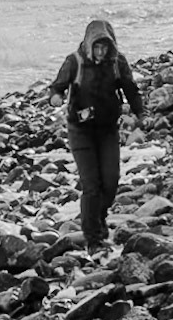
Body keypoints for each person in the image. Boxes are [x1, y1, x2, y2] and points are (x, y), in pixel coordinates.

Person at [48, 19, 144, 254]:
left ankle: (98, 218)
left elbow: (130, 88)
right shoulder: (75, 61)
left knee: (110, 182)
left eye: (105, 47)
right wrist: (56, 97)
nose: (101, 52)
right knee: (91, 185)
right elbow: (56, 87)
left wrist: (140, 113)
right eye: (97, 47)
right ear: (89, 45)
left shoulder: (117, 62)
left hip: (108, 129)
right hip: (81, 131)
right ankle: (93, 239)